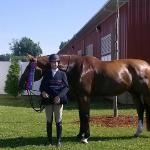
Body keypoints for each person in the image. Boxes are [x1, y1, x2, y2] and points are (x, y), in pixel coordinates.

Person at [40, 54, 69, 147]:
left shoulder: (62, 74)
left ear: (58, 63)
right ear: (50, 63)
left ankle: (59, 141)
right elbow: (41, 86)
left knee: (58, 121)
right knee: (49, 121)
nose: (54, 64)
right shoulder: (46, 74)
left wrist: (59, 96)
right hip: (48, 101)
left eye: (56, 62)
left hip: (58, 101)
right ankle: (49, 141)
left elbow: (66, 87)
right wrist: (43, 92)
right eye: (52, 62)